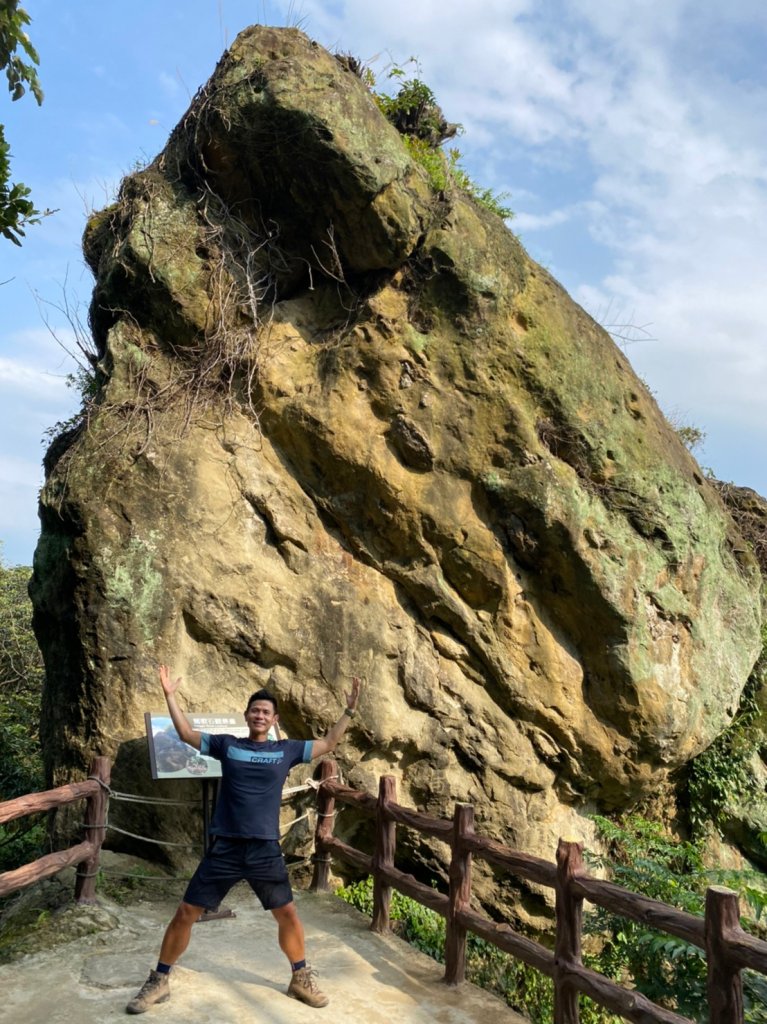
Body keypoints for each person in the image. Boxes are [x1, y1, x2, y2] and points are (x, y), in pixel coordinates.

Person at [126, 665, 361, 1013]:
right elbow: (187, 733)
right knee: (186, 911)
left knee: (287, 914)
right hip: (226, 845)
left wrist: (349, 712)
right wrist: (169, 696)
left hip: (265, 847)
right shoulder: (227, 745)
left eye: (266, 711)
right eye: (255, 710)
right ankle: (160, 979)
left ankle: (300, 977)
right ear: (247, 715)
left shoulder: (286, 750)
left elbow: (328, 743)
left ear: (274, 718)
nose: (260, 715)